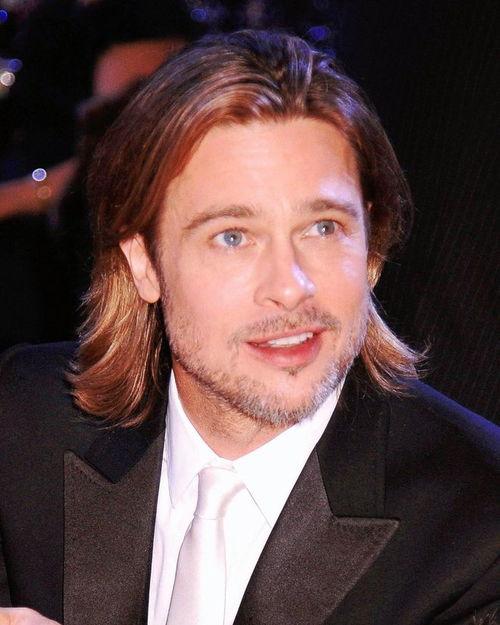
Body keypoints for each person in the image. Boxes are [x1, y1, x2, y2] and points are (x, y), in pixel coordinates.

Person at [0, 30, 498, 625]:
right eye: (233, 237)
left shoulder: (478, 526)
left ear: (371, 249)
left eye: (324, 228)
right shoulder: (24, 423)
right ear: (145, 263)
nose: (291, 285)